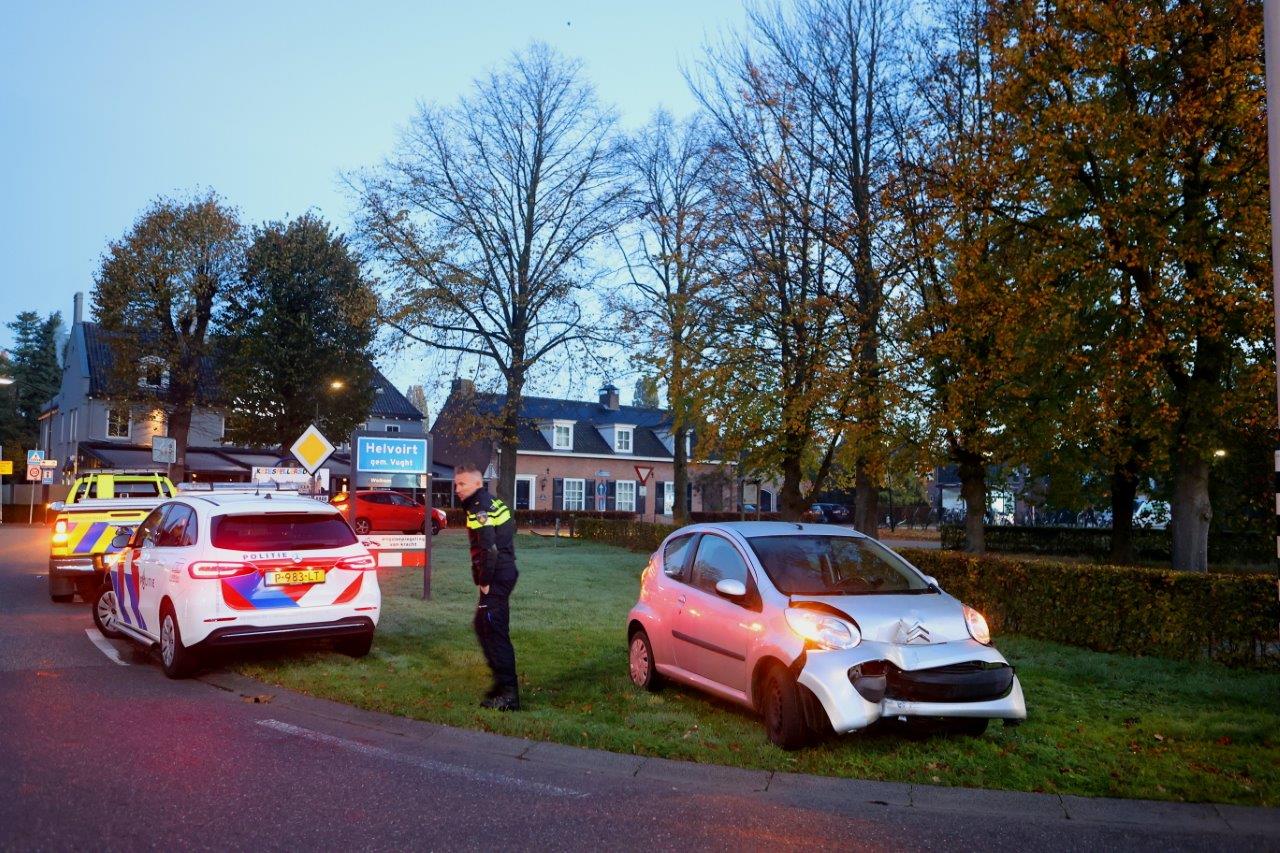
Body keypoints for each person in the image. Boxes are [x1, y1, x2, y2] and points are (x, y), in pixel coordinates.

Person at [454, 466, 520, 710]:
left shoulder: (478, 508)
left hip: (496, 576)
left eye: (462, 484)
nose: (457, 489)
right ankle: (501, 685)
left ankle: (509, 695)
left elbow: (489, 549)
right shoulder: (491, 502)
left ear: (477, 484)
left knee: (493, 630)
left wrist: (484, 582)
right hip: (505, 572)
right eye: (456, 484)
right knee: (483, 626)